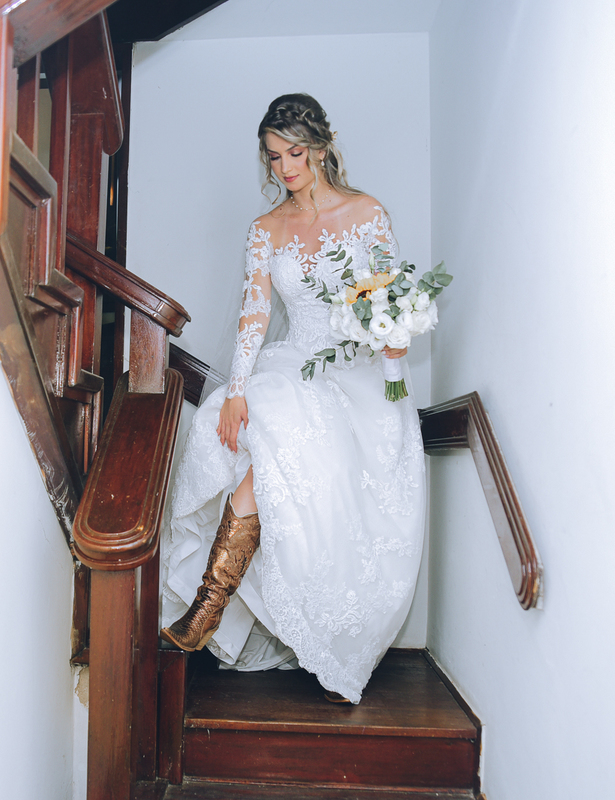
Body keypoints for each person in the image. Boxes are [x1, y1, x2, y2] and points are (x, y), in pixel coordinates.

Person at [159, 94, 426, 704]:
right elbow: (255, 315)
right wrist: (236, 390)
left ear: (322, 148)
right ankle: (207, 605)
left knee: (310, 494)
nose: (284, 168)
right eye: (274, 156)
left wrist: (394, 347)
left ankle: (309, 639)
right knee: (266, 436)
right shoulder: (266, 230)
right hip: (295, 363)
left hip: (357, 374)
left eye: (295, 153)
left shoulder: (367, 213)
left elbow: (388, 298)